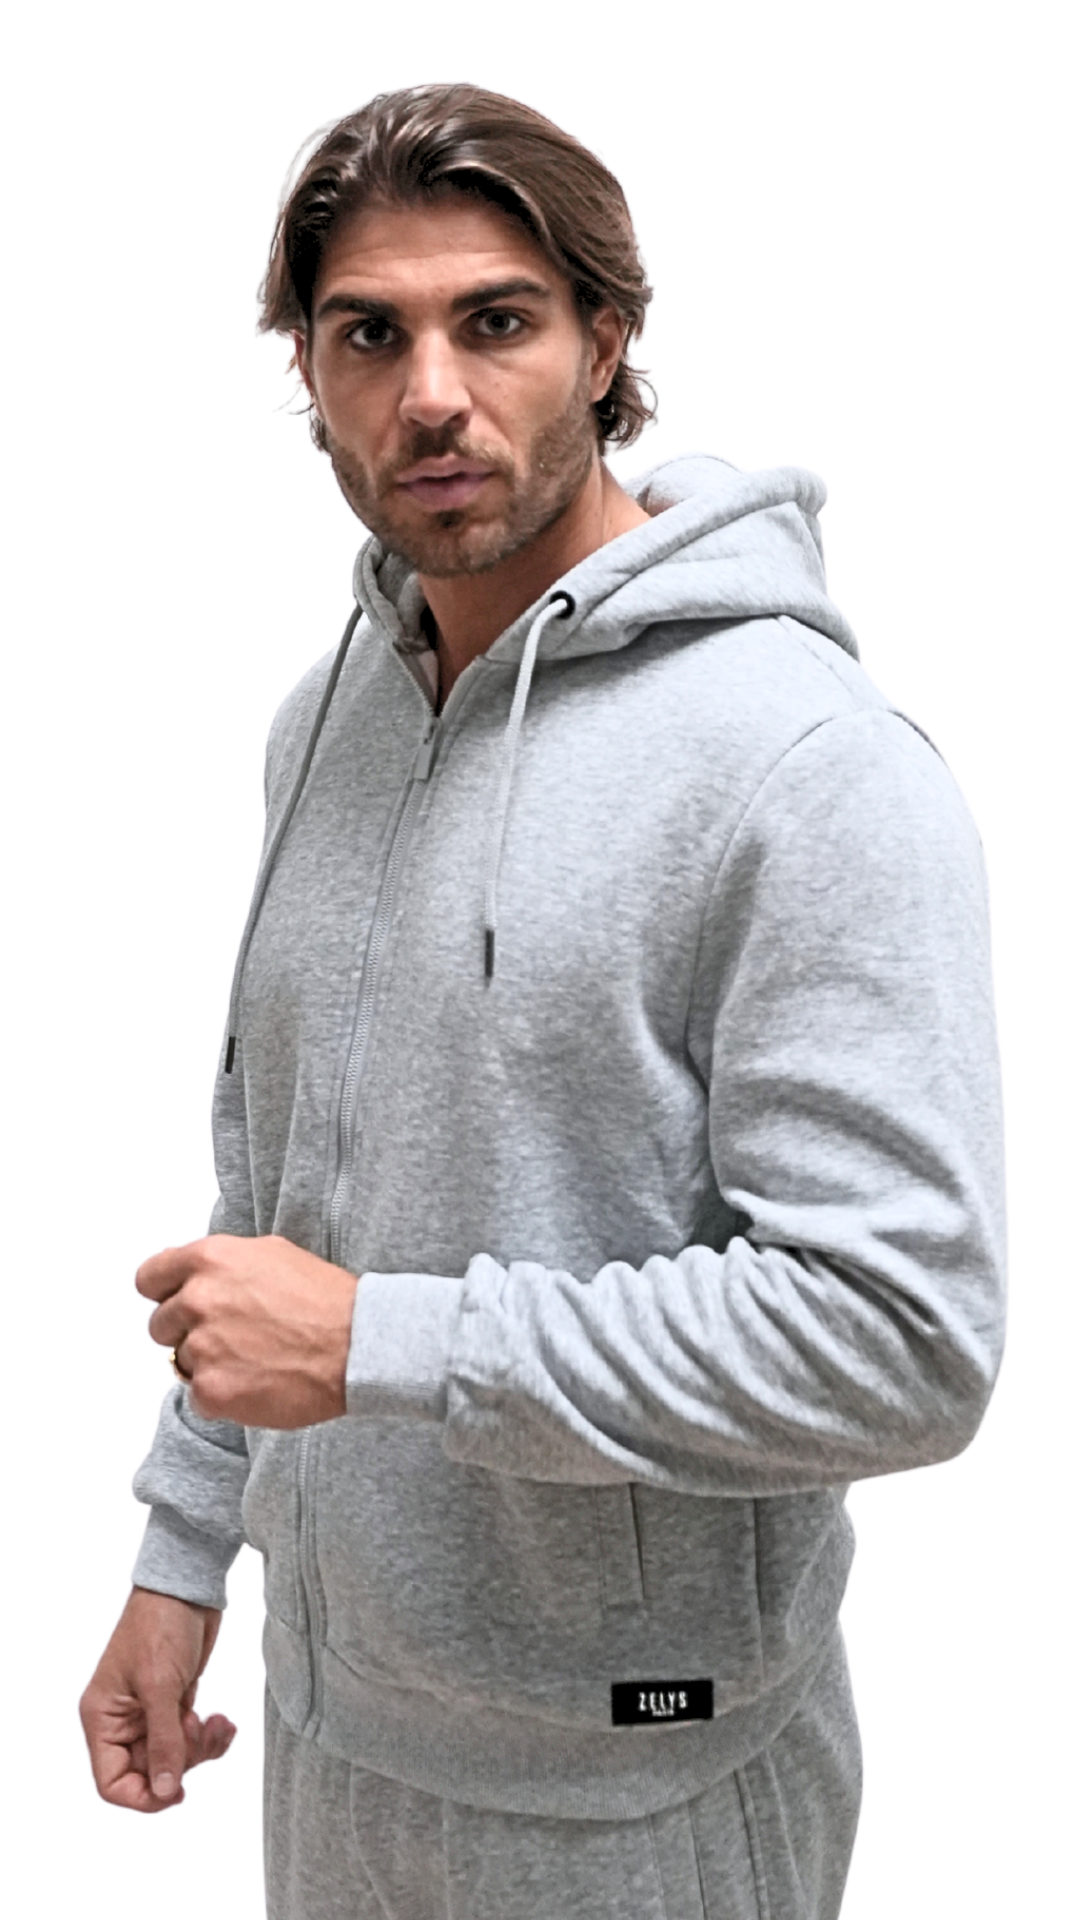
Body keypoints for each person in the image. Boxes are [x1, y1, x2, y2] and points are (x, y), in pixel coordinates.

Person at [80, 83, 1006, 1920]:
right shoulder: (332, 719)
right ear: (308, 372)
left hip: (646, 1782)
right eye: (369, 335)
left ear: (606, 341)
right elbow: (281, 1197)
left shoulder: (803, 764)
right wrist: (185, 1553)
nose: (431, 393)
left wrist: (386, 1343)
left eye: (494, 321)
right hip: (337, 1738)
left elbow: (906, 1335)